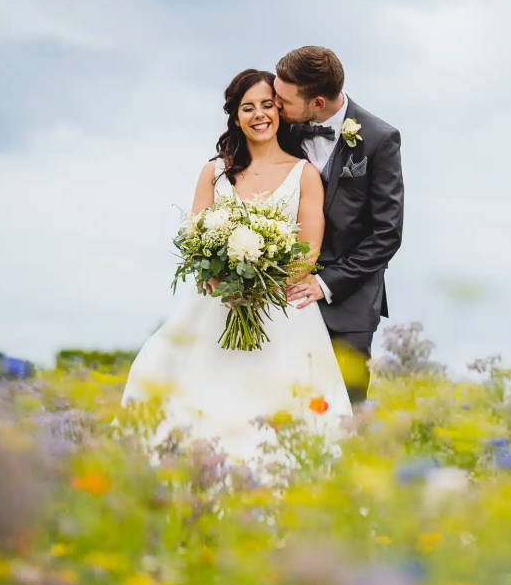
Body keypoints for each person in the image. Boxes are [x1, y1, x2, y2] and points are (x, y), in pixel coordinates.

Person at [121, 69, 352, 465]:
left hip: (281, 308)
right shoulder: (214, 172)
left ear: (279, 111)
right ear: (235, 116)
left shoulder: (304, 174)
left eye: (267, 105)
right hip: (217, 304)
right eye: (248, 107)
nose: (259, 114)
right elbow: (196, 239)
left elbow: (310, 250)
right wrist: (224, 280)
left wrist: (262, 285)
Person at [274, 46, 404, 406]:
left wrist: (325, 283)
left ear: (317, 102)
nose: (275, 104)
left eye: (284, 99)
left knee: (346, 410)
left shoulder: (380, 139)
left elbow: (387, 234)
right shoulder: (281, 129)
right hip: (281, 297)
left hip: (349, 304)